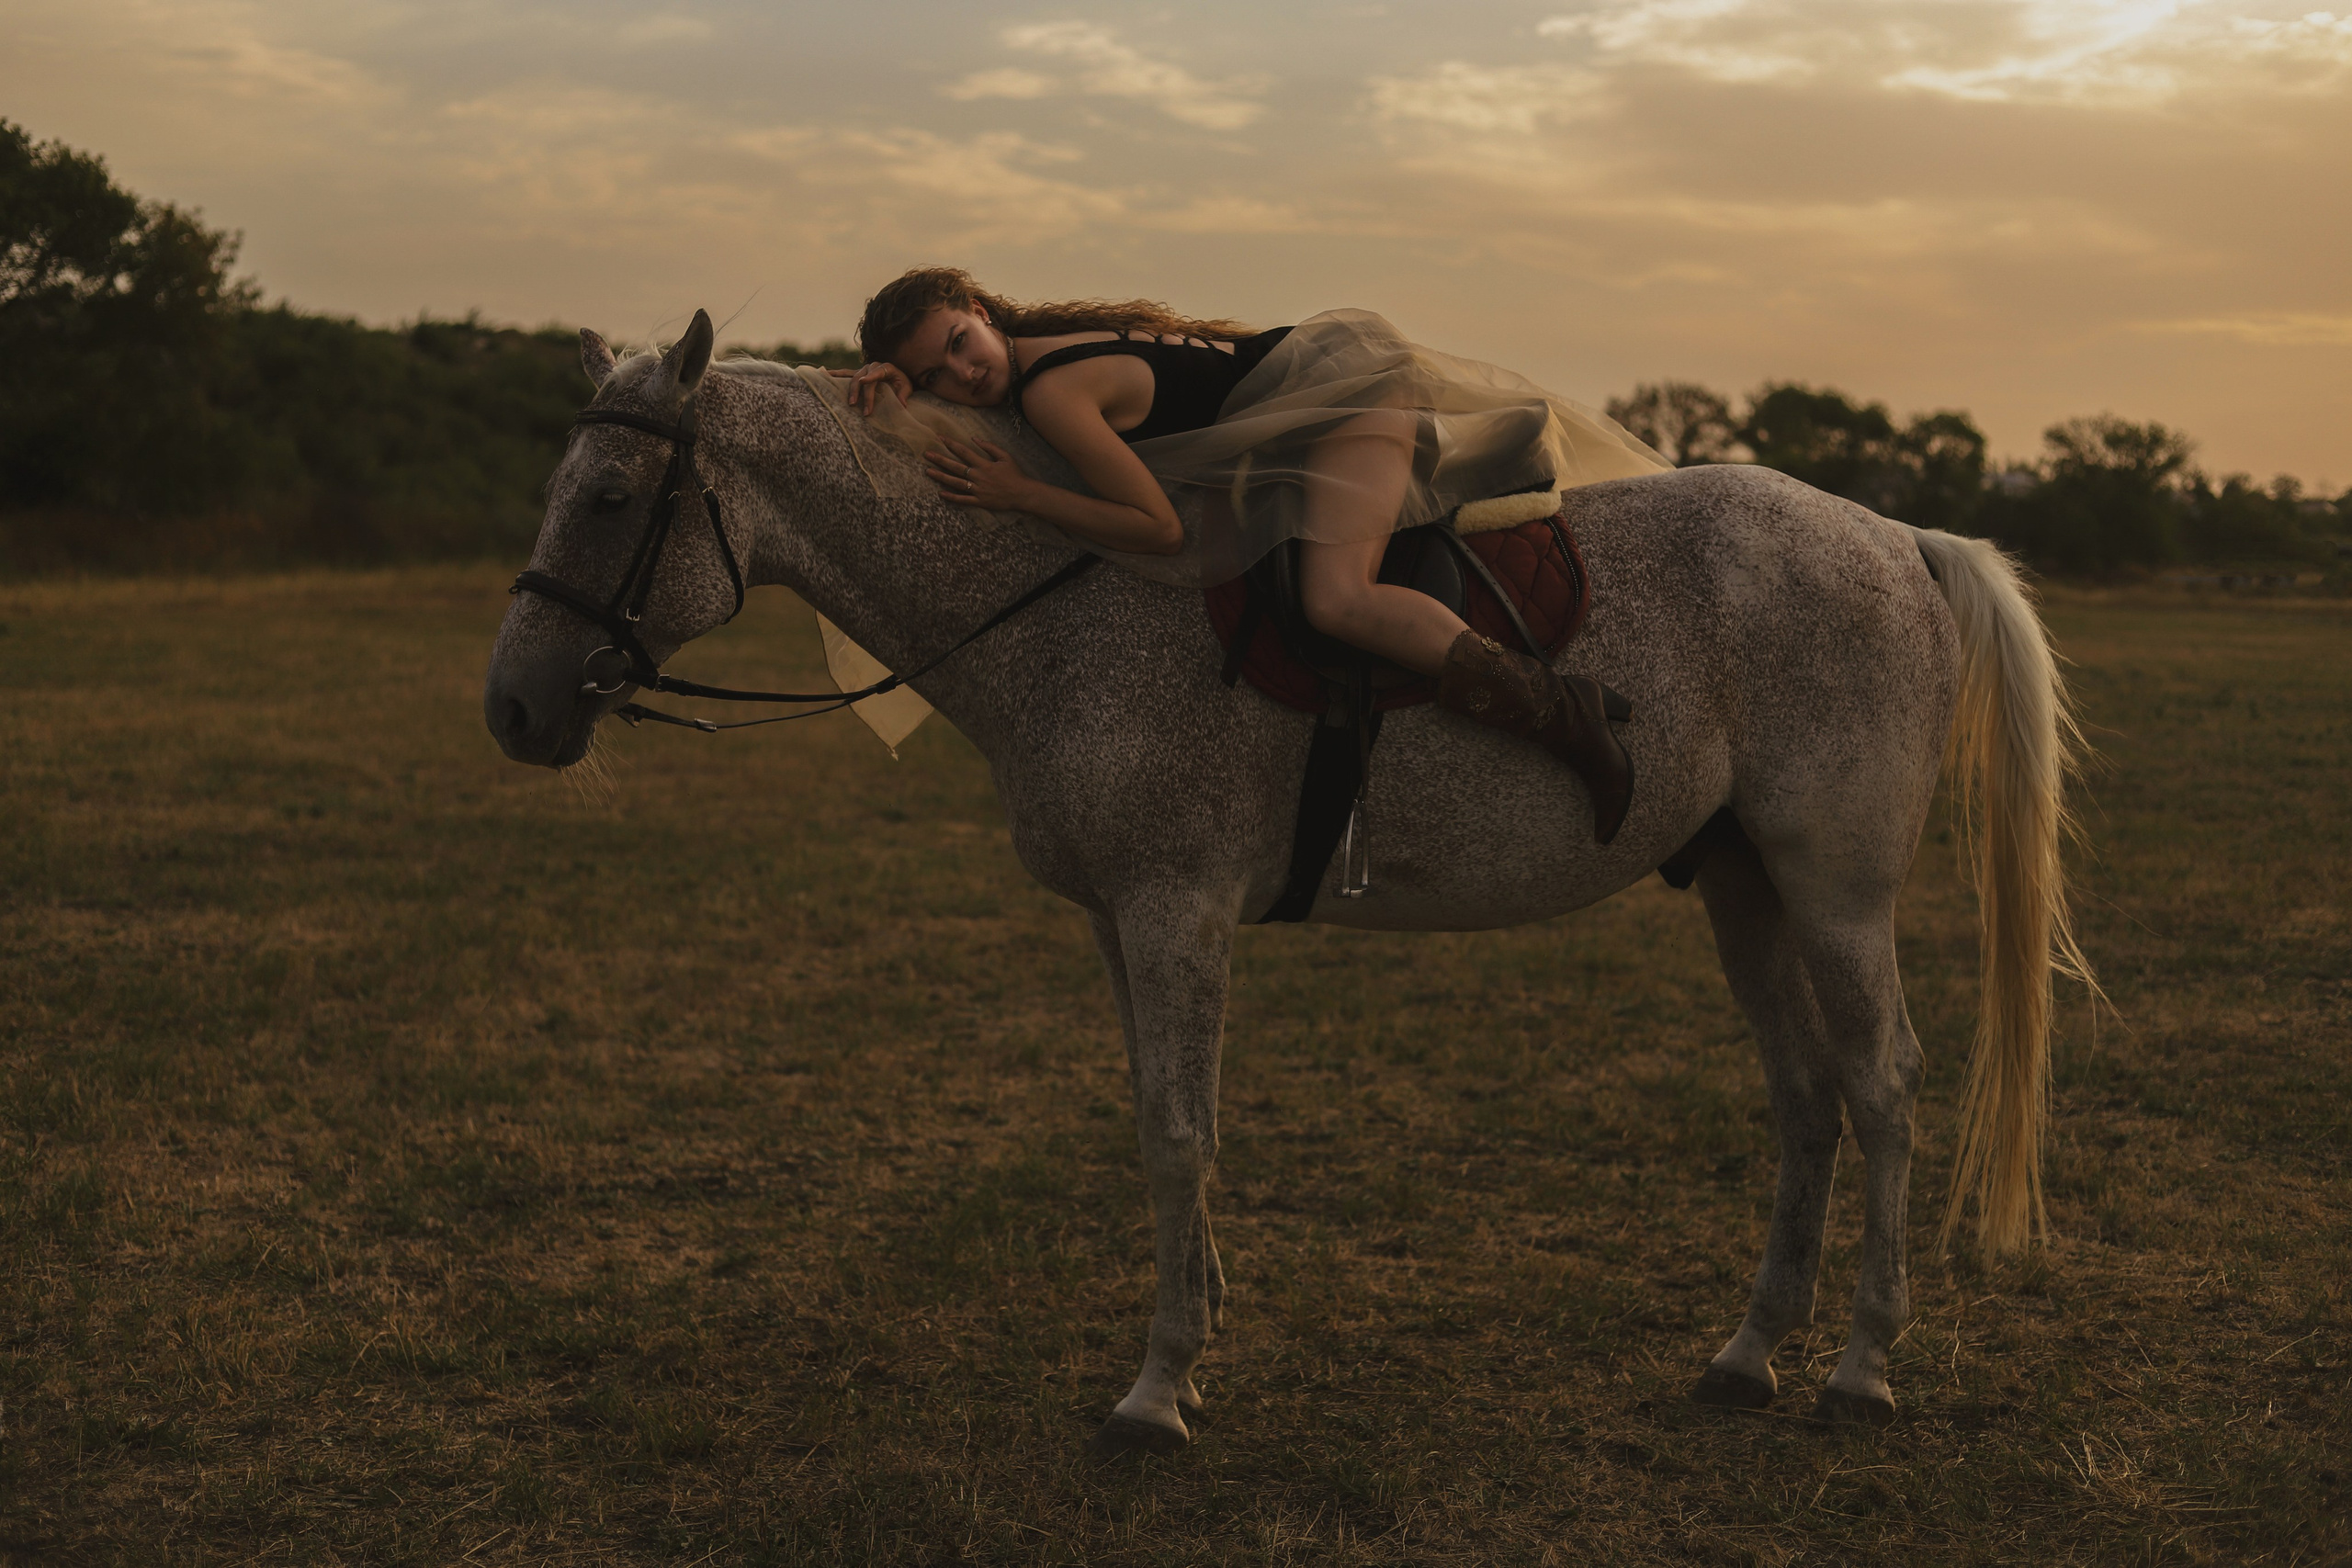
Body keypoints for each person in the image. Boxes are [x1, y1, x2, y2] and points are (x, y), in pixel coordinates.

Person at [832, 267, 1662, 842]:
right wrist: (890, 391)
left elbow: (1154, 527)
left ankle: (1568, 716)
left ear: (979, 308)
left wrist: (1023, 495)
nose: (958, 372)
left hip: (1347, 408)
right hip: (1329, 384)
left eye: (956, 340)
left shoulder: (1053, 390)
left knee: (1338, 600)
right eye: (934, 374)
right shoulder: (1042, 348)